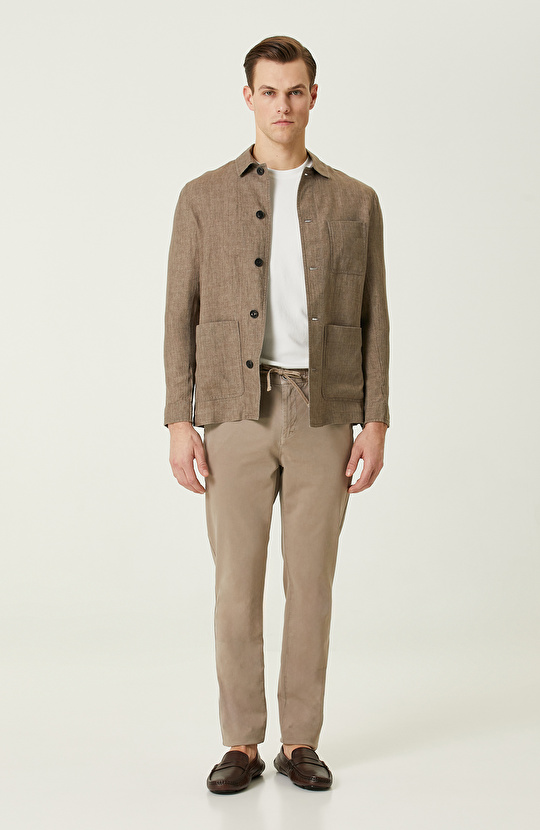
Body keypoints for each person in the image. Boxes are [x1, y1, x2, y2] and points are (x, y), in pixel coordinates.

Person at [163, 35, 390, 793]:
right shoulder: (203, 197)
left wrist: (376, 419)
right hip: (233, 407)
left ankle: (300, 741)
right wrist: (179, 419)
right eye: (270, 91)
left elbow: (375, 316)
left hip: (324, 409)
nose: (283, 105)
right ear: (248, 97)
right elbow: (179, 313)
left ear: (313, 97)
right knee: (237, 585)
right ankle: (240, 742)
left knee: (311, 584)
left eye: (296, 91)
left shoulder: (356, 201)